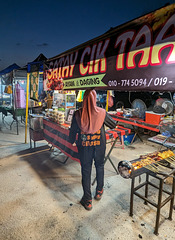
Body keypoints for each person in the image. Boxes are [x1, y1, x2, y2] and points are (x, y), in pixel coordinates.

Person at [69, 89, 117, 211]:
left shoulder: (78, 113)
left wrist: (70, 141)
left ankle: (88, 200)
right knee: (100, 166)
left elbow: (73, 131)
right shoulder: (102, 112)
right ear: (95, 99)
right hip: (99, 145)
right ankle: (99, 191)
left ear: (84, 99)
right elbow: (113, 125)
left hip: (84, 147)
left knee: (86, 170)